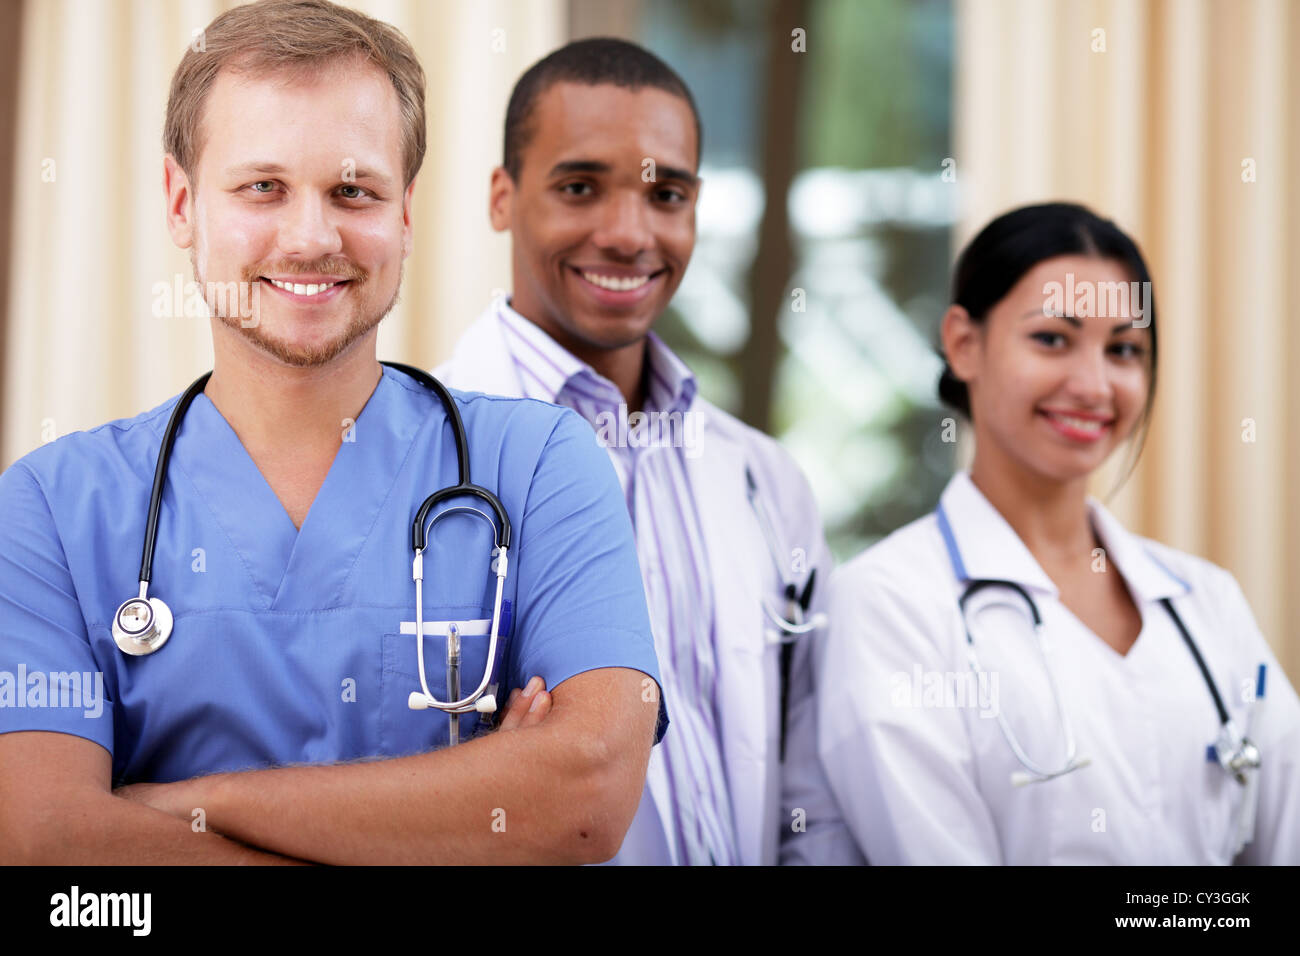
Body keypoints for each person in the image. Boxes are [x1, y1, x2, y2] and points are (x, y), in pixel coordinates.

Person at [0, 0, 665, 866]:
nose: (311, 237)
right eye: (261, 187)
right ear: (180, 204)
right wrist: (473, 796)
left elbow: (582, 797)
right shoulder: (50, 508)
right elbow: (47, 841)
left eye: (353, 191)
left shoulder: (540, 467)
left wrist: (179, 808)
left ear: (406, 214)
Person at [435, 37, 857, 865]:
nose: (630, 233)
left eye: (667, 194)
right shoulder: (418, 460)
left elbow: (816, 787)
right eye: (581, 187)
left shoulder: (762, 479)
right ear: (501, 197)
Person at [817, 201, 1300, 864]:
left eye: (1124, 349)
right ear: (964, 343)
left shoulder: (1206, 602)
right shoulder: (891, 605)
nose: (1095, 385)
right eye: (1052, 339)